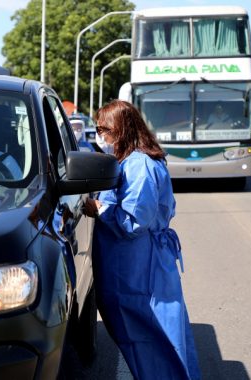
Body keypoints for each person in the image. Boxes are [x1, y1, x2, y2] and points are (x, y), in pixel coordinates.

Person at [82, 100, 200, 380]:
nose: (101, 136)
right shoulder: (129, 161)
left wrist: (100, 209)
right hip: (131, 264)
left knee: (154, 335)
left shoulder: (140, 165)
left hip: (139, 266)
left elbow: (134, 220)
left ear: (122, 130)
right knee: (148, 336)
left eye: (105, 129)